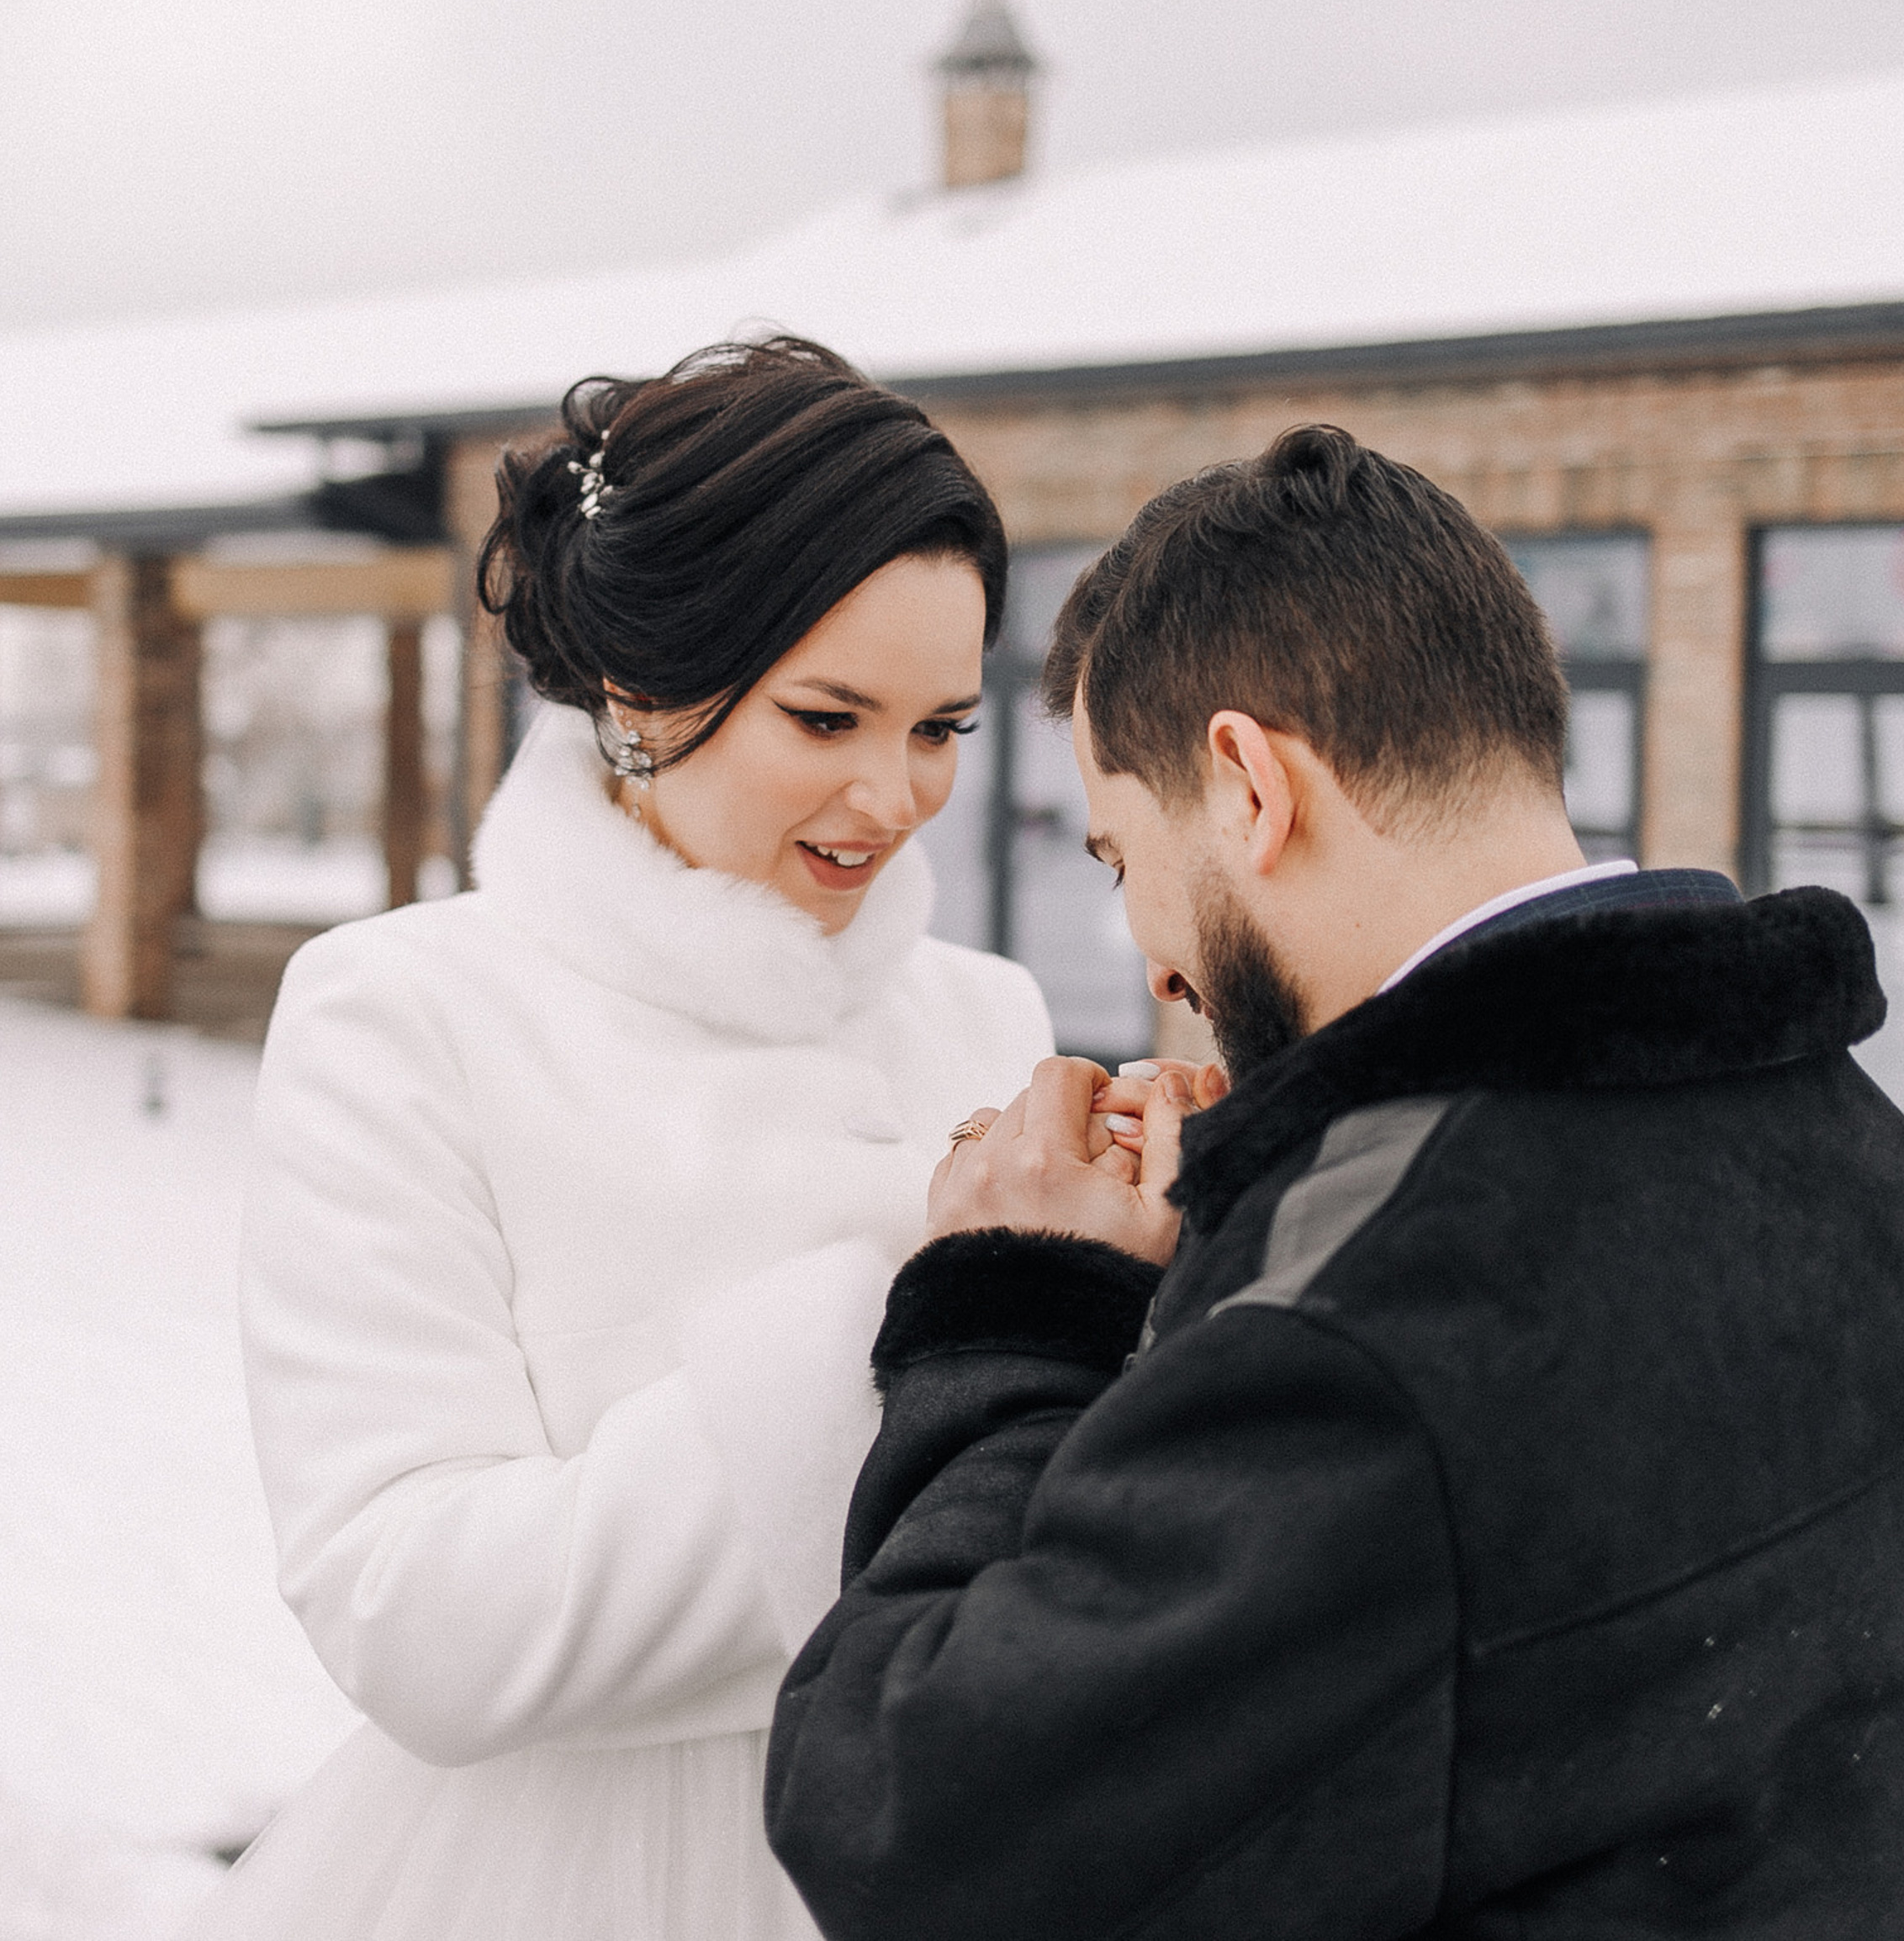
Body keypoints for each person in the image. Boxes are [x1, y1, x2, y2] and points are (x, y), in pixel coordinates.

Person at [766, 426, 1904, 1939]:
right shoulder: (1847, 1143)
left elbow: (902, 1814)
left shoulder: (1368, 1326)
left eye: (1120, 859)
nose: (1156, 964)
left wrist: (1017, 1316)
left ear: (1246, 785)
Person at [188, 338, 1055, 1941]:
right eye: (827, 715)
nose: (895, 793)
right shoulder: (404, 1015)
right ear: (642, 690)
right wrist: (922, 1301)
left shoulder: (987, 1020)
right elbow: (412, 1610)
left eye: (942, 728)